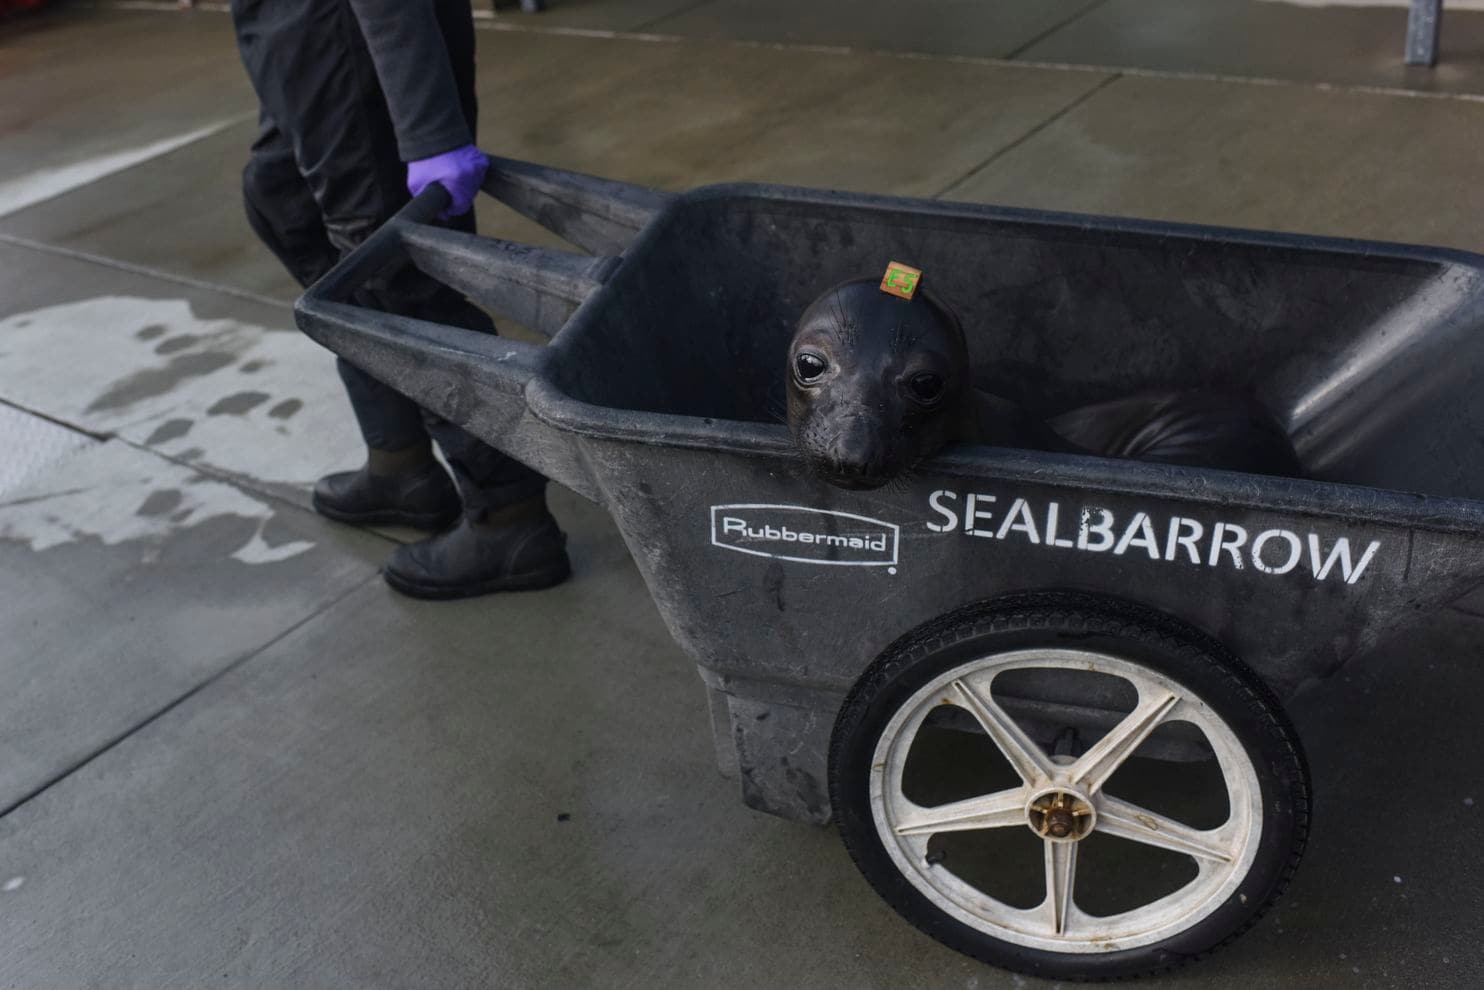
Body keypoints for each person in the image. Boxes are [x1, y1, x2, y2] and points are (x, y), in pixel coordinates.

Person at [229, 0, 571, 599]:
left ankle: (509, 517)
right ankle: (400, 463)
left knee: (398, 273)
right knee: (286, 206)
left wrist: (430, 129)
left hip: (352, 34)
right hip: (292, 40)